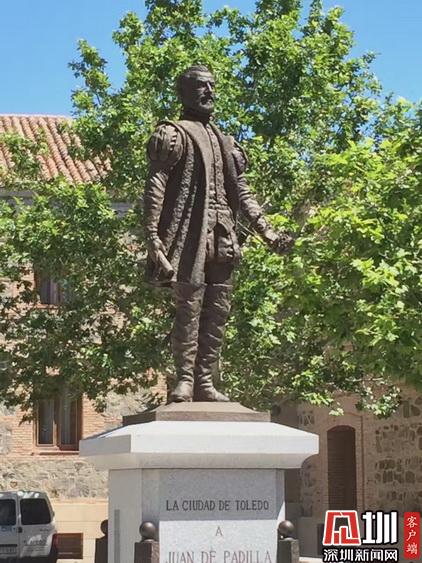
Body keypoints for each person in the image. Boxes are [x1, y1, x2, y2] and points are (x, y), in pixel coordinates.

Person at [144, 65, 293, 402]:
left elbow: (242, 191)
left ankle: (205, 380)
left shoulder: (227, 142)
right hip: (190, 234)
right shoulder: (172, 135)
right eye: (201, 86)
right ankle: (184, 379)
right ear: (183, 93)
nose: (209, 92)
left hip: (223, 233)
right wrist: (153, 237)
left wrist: (267, 231)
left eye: (212, 85)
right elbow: (156, 185)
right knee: (189, 306)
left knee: (219, 308)